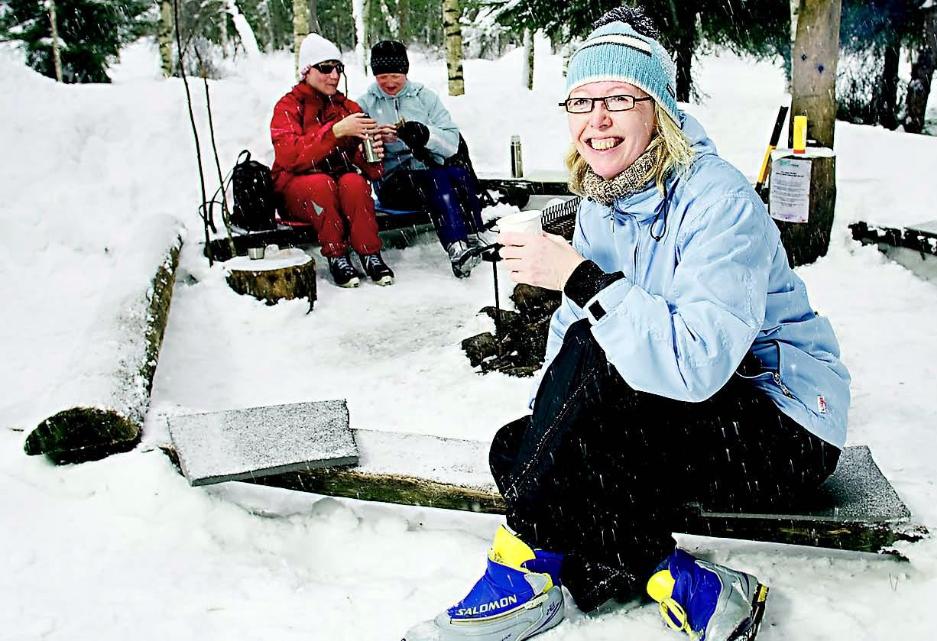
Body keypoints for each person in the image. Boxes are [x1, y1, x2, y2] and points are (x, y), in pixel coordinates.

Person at [401, 7, 850, 641]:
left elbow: (693, 364)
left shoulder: (719, 200)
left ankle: (519, 576)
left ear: (658, 110)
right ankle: (686, 583)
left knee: (576, 393)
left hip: (780, 424)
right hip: (678, 405)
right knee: (518, 449)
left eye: (618, 98)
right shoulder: (603, 199)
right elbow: (573, 332)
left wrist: (582, 279)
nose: (597, 121)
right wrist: (552, 429)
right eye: (581, 102)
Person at [270, 33, 394, 288]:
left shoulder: (347, 107)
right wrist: (335, 132)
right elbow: (289, 156)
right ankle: (336, 254)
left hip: (336, 185)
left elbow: (372, 171)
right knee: (320, 184)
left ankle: (369, 253)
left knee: (353, 182)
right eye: (325, 68)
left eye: (338, 68)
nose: (334, 76)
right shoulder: (288, 106)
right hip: (297, 190)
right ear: (307, 71)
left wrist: (372, 151)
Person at [357, 40, 487, 278]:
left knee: (454, 174)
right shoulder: (365, 104)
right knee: (437, 181)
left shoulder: (425, 98)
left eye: (395, 74)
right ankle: (457, 248)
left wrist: (425, 135)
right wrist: (377, 141)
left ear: (405, 71)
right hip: (393, 183)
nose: (389, 82)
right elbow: (357, 153)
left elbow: (451, 143)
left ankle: (470, 237)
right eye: (382, 76)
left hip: (430, 173)